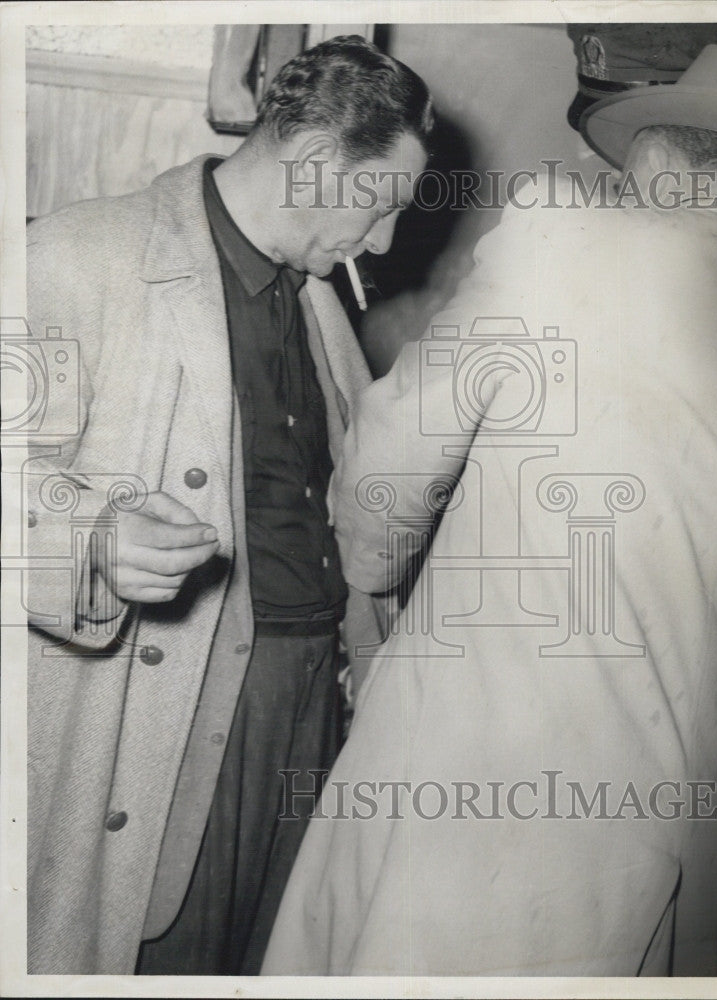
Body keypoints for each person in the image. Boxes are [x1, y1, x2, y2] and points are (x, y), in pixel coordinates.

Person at [260, 45, 717, 975]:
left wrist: (373, 597)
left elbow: (390, 463)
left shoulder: (565, 236)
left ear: (658, 162)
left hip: (491, 794)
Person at [25, 35, 431, 975]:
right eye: (382, 208)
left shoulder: (323, 307)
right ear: (320, 164)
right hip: (163, 721)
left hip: (308, 716)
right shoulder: (78, 256)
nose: (382, 243)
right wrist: (88, 537)